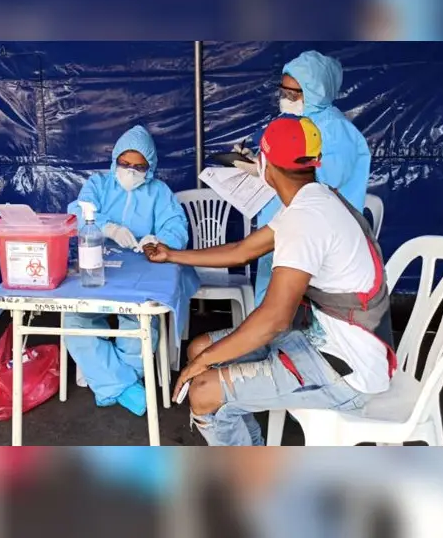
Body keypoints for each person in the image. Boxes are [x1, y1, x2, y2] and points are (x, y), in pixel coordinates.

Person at [144, 116, 395, 446]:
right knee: (200, 347)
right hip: (322, 341)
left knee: (203, 391)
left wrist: (204, 364)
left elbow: (275, 319)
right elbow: (242, 251)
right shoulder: (314, 198)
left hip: (346, 370)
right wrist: (173, 254)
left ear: (264, 164)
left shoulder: (305, 220)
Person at [64, 125, 189, 415]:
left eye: (139, 166)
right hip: (98, 266)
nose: (131, 171)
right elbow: (77, 211)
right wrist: (107, 227)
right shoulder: (98, 184)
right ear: (114, 161)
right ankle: (124, 386)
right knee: (73, 319)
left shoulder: (159, 192)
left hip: (143, 270)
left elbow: (176, 227)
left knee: (139, 322)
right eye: (125, 164)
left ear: (151, 167)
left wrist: (157, 240)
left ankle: (110, 383)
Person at [234, 51, 371, 309]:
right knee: (273, 301)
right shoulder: (294, 122)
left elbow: (318, 180)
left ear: (316, 92)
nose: (286, 99)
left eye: (294, 94)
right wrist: (258, 158)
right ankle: (269, 344)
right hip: (285, 226)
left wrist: (264, 169)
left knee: (293, 308)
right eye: (283, 92)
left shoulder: (335, 131)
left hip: (314, 234)